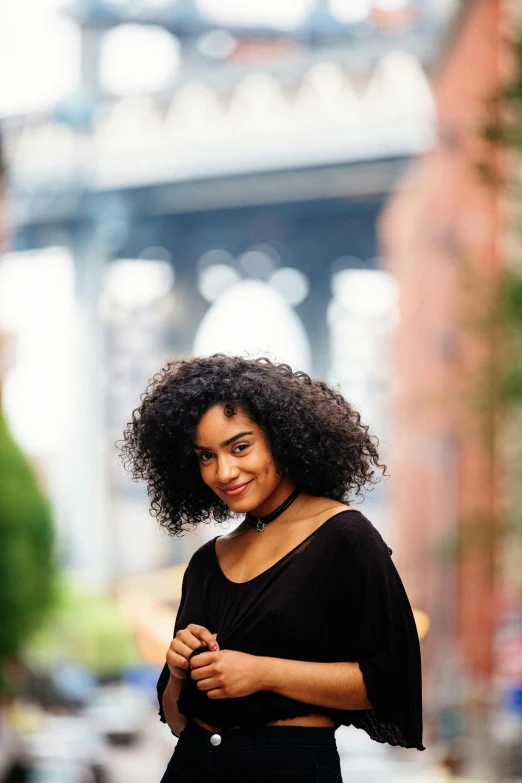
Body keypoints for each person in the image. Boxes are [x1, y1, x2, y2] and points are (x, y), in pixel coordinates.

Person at [120, 354, 424, 782]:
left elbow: (389, 683)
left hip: (287, 767)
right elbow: (176, 719)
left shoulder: (344, 537)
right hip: (192, 765)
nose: (224, 471)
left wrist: (260, 673)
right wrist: (177, 670)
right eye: (206, 456)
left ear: (281, 440)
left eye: (240, 447)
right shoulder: (207, 561)